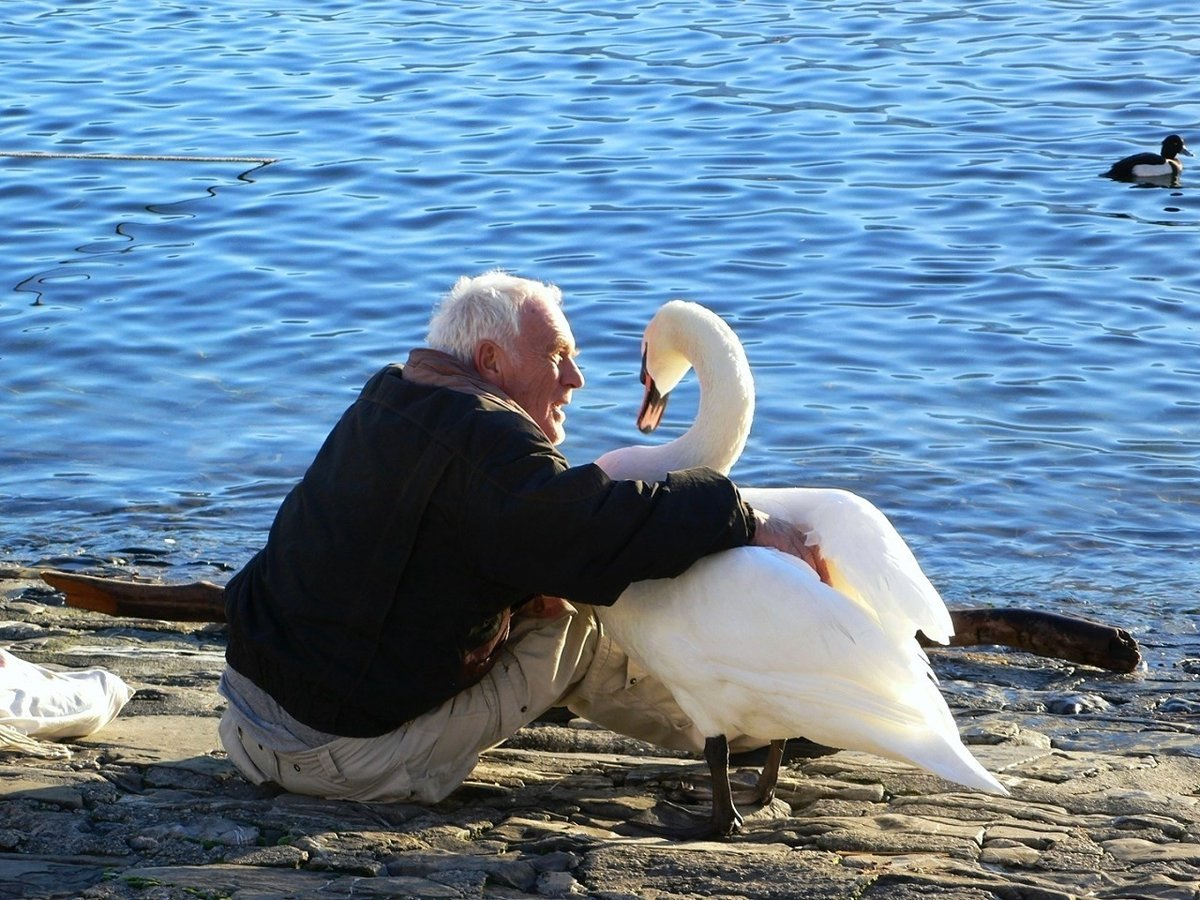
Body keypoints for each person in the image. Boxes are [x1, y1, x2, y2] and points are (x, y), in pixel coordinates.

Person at [217, 270, 817, 804]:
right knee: (575, 620)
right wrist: (739, 515)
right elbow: (597, 530)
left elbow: (457, 532)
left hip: (247, 719)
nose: (576, 379)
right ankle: (749, 729)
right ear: (491, 362)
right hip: (333, 759)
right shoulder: (487, 444)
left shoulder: (391, 398)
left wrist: (521, 584)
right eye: (557, 355)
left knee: (549, 579)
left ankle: (744, 716)